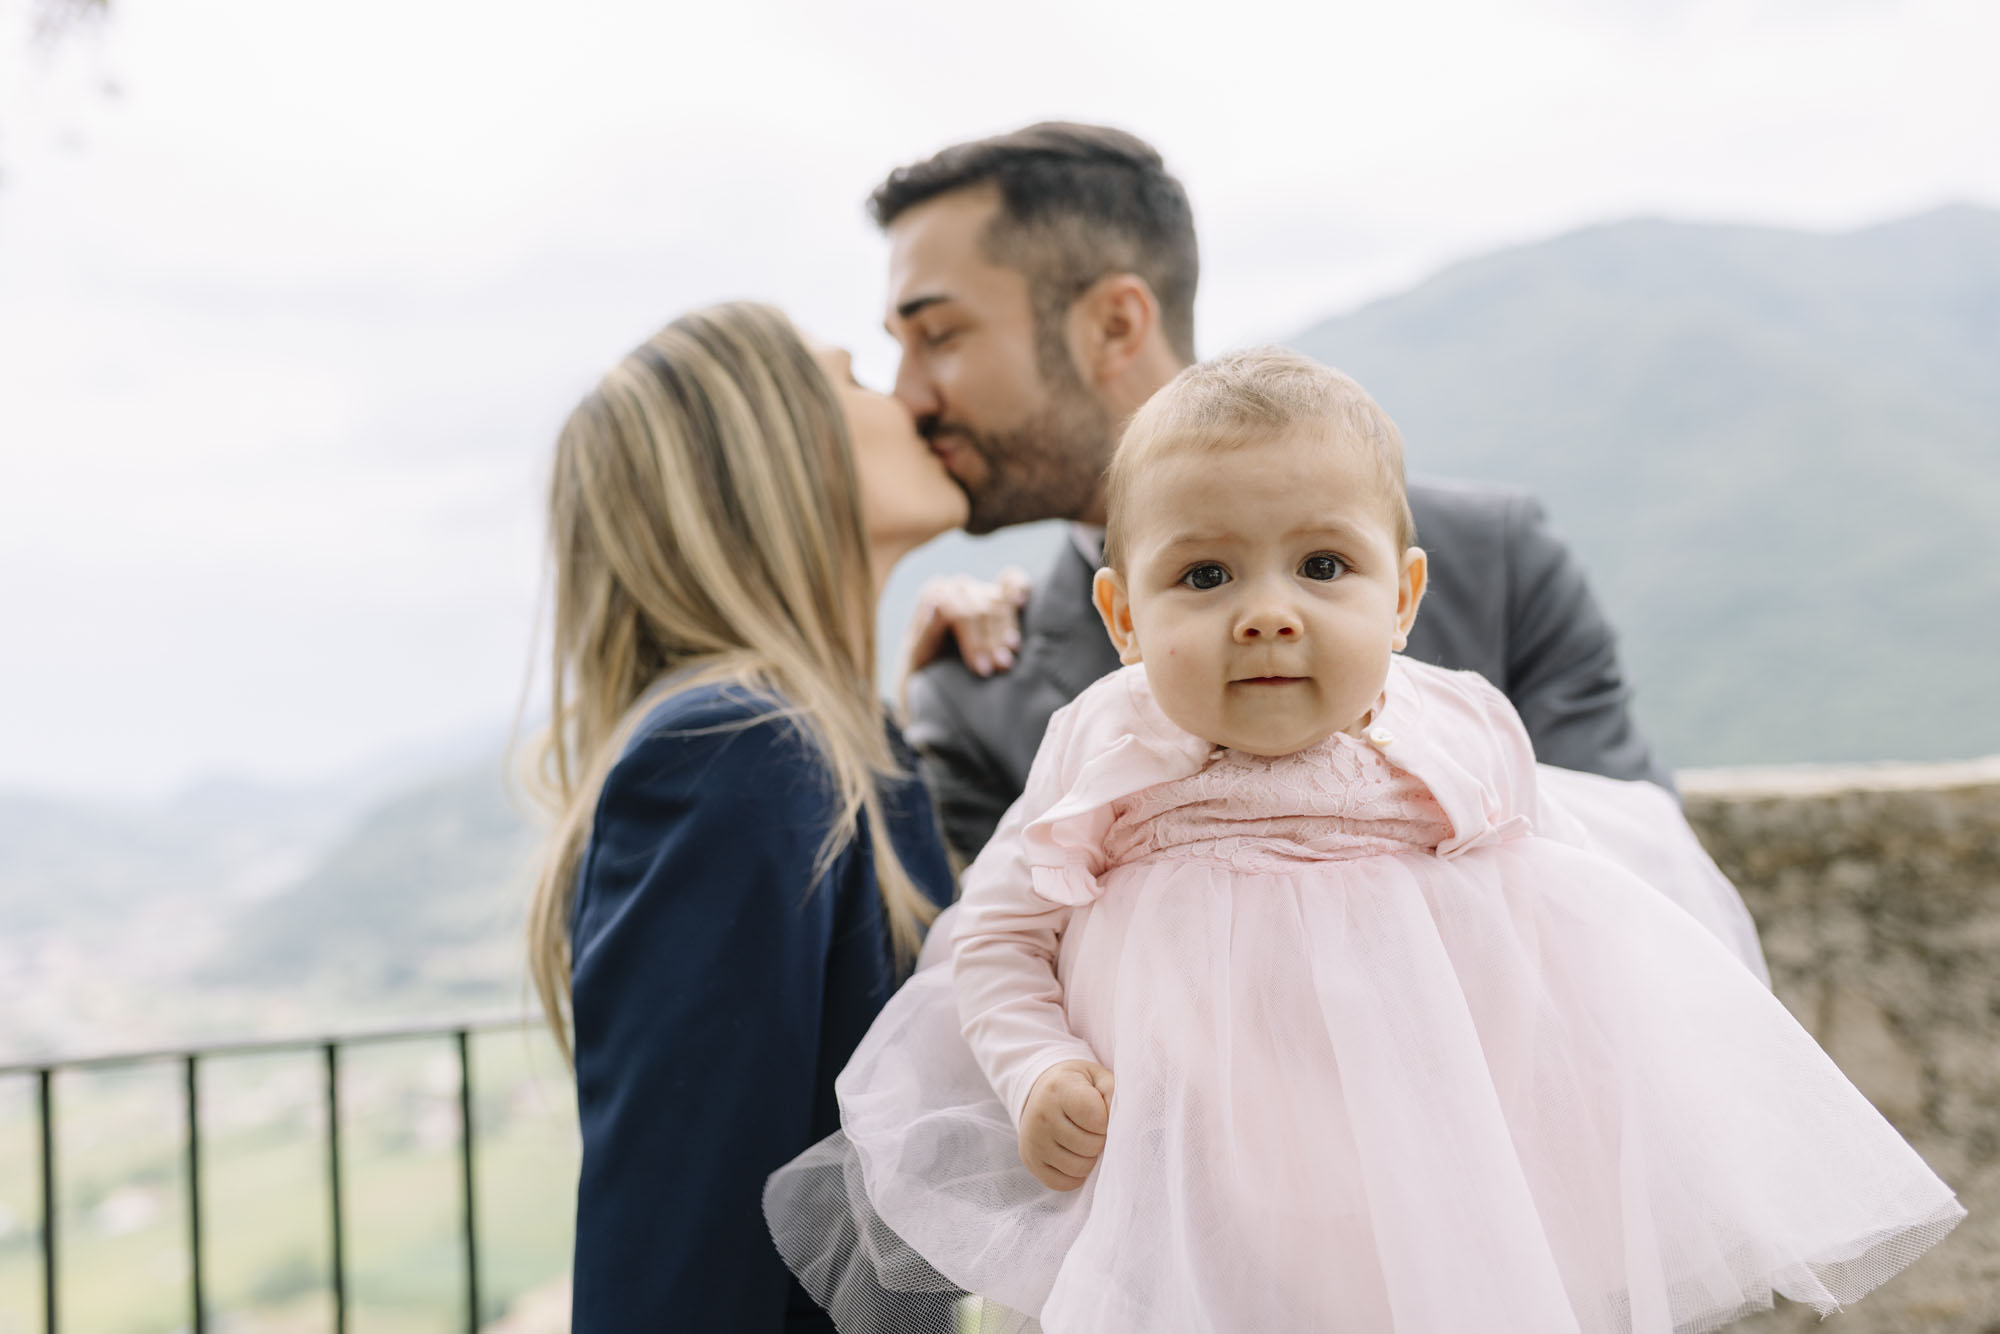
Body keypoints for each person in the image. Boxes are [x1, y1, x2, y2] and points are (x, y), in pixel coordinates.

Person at [765, 351, 1961, 1333]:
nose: (1267, 608)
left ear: (1401, 595)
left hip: (1423, 1192)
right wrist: (1034, 1068)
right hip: (1189, 1205)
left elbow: (1554, 933)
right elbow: (1002, 936)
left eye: (1322, 564)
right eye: (1205, 573)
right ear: (1124, 616)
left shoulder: (1458, 738)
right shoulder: (1105, 750)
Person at [872, 122, 1674, 865]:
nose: (908, 396)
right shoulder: (972, 689)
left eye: (938, 337)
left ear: (1115, 326)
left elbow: (1637, 892)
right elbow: (974, 975)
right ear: (1119, 615)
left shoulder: (1496, 559)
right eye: (1204, 576)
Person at [522, 302, 968, 1332]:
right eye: (857, 377)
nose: (907, 399)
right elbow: (675, 1265)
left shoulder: (833, 749)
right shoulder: (732, 755)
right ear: (768, 457)